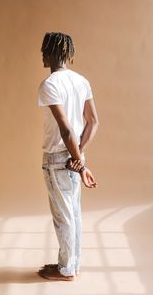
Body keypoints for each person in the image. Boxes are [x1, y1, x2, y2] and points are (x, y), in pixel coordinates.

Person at [37, 32, 99, 281]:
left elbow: (65, 129)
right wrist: (80, 155)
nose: (42, 54)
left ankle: (65, 270)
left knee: (64, 217)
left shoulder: (49, 84)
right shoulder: (81, 81)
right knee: (73, 213)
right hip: (75, 154)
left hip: (57, 158)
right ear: (69, 54)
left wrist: (82, 167)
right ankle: (72, 265)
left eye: (44, 50)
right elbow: (93, 122)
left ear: (51, 53)